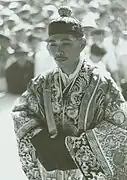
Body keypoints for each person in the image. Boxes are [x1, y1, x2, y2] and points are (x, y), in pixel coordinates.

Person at [12, 6, 127, 180]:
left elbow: (119, 125)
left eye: (66, 43)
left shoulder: (102, 83)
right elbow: (22, 111)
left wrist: (76, 148)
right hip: (50, 170)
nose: (59, 51)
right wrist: (40, 139)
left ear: (81, 44)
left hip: (84, 171)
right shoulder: (41, 82)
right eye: (53, 44)